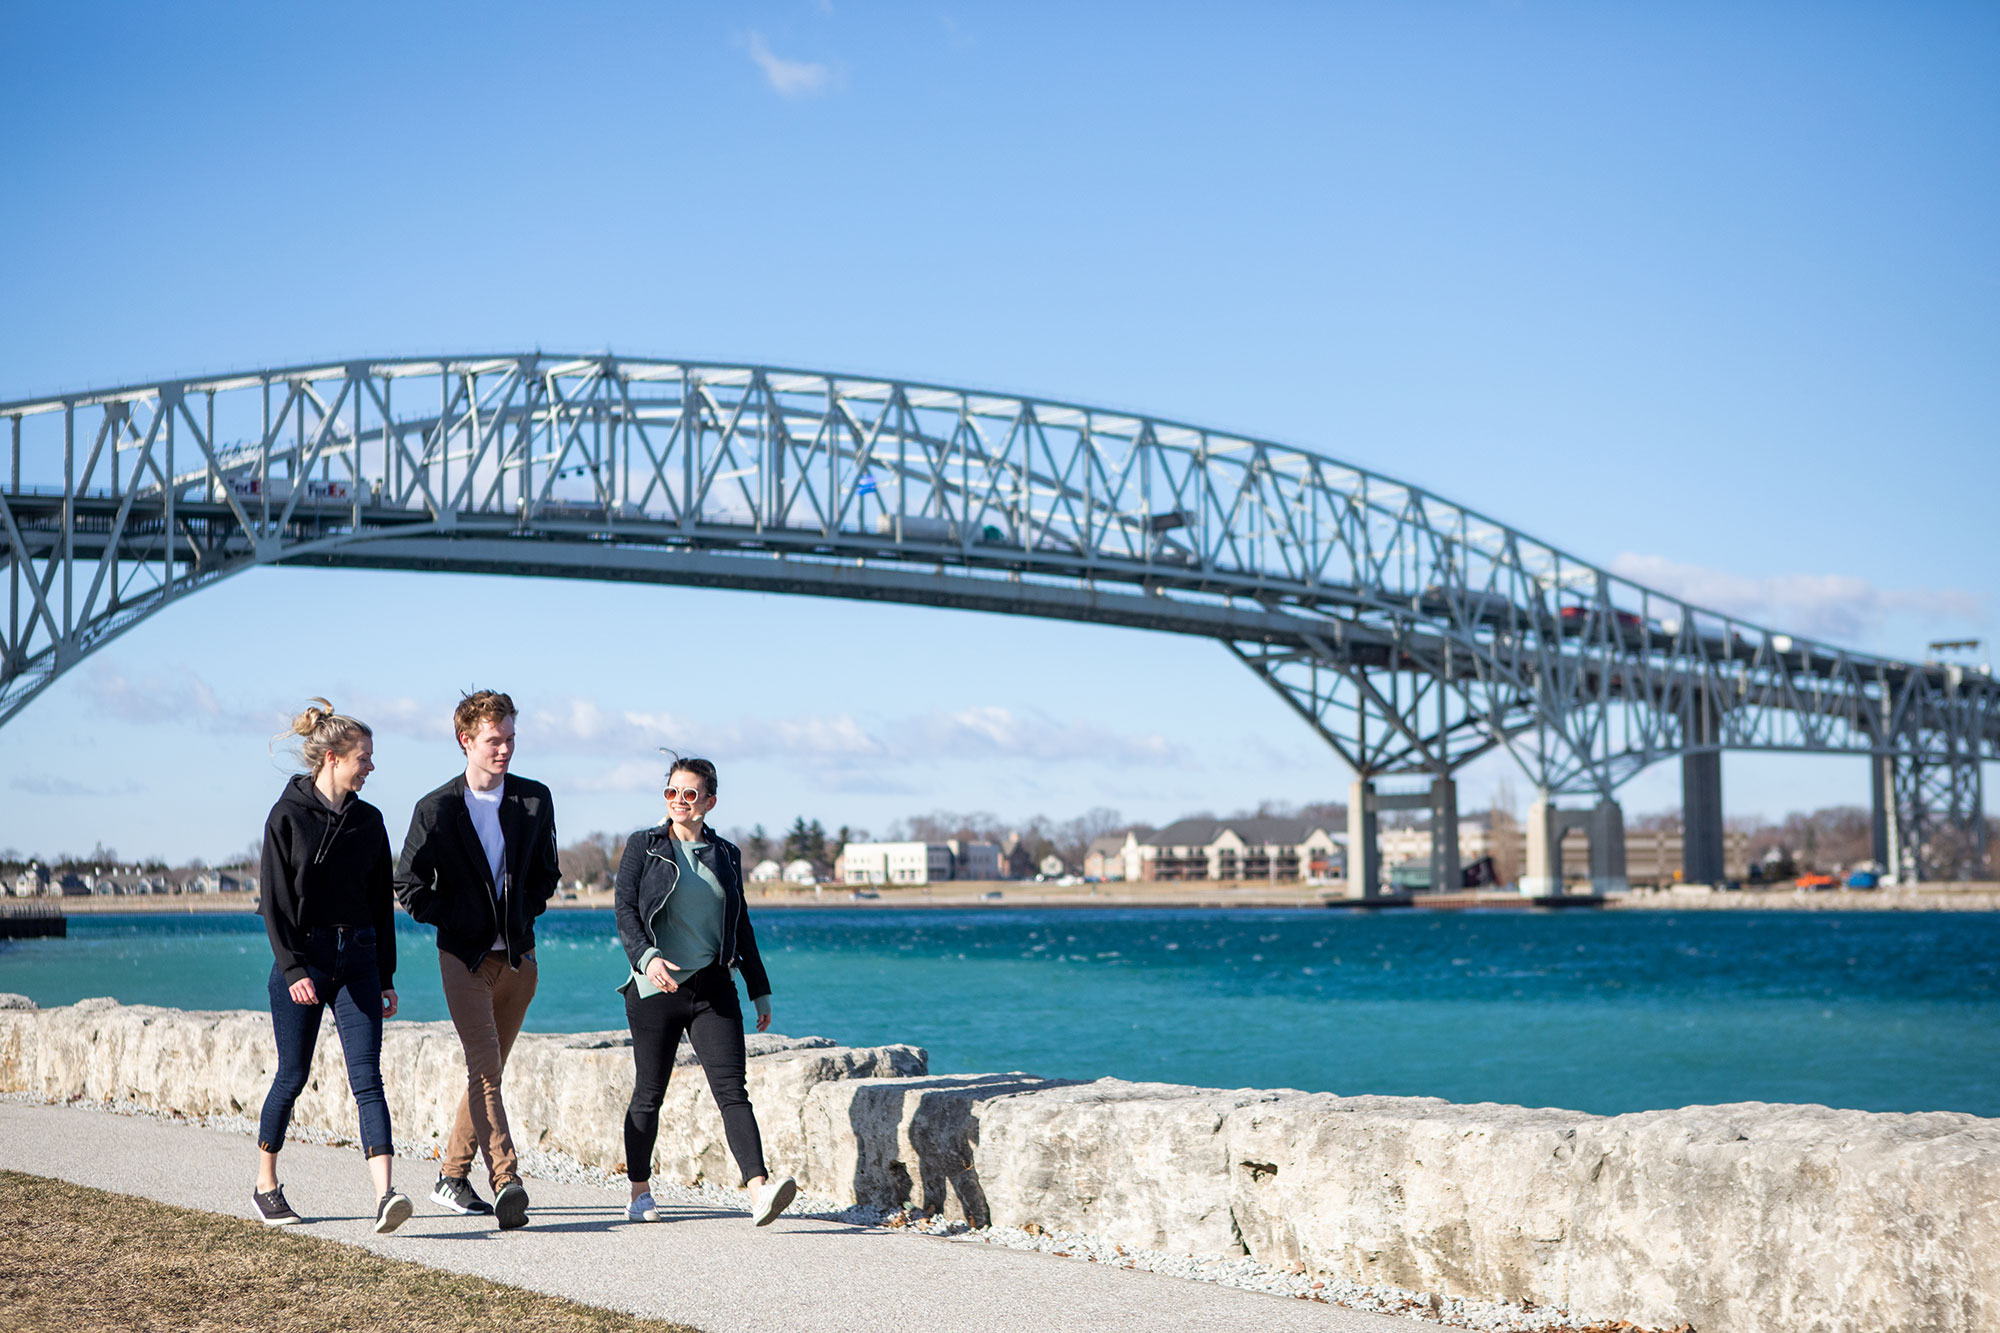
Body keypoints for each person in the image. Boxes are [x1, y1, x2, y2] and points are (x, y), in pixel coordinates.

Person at [393, 689, 559, 1231]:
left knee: (488, 1071)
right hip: (463, 959)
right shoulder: (436, 808)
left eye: (511, 738)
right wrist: (463, 920)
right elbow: (408, 886)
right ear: (465, 740)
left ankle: (451, 1175)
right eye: (495, 740)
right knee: (486, 1073)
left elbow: (545, 876)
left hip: (518, 959)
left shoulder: (535, 799)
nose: (505, 749)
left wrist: (520, 916)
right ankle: (508, 1180)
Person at [614, 756, 796, 1227]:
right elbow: (625, 912)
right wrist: (647, 958)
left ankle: (759, 1191)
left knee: (733, 1091)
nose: (678, 801)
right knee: (649, 1093)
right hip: (656, 987)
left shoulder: (726, 854)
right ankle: (638, 1192)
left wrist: (760, 988)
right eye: (671, 792)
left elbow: (742, 922)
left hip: (712, 986)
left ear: (709, 802)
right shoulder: (644, 846)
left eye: (689, 794)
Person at [253, 700, 412, 1234]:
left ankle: (386, 1195)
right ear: (332, 757)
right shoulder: (287, 816)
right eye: (364, 758)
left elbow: (379, 904)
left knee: (368, 1080)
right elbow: (273, 904)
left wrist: (386, 975)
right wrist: (294, 969)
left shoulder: (370, 821)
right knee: (292, 1075)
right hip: (306, 961)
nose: (371, 767)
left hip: (360, 960)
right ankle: (265, 1183)